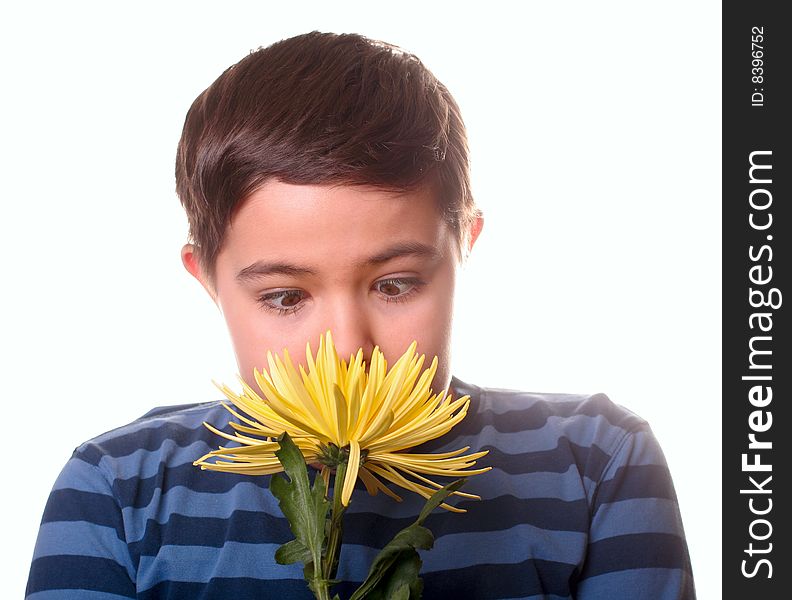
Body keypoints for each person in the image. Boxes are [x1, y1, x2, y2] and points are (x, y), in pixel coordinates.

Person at [26, 31, 696, 599]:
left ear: (464, 244)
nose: (348, 349)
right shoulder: (116, 492)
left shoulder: (598, 464)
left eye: (396, 285)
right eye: (286, 297)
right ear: (207, 280)